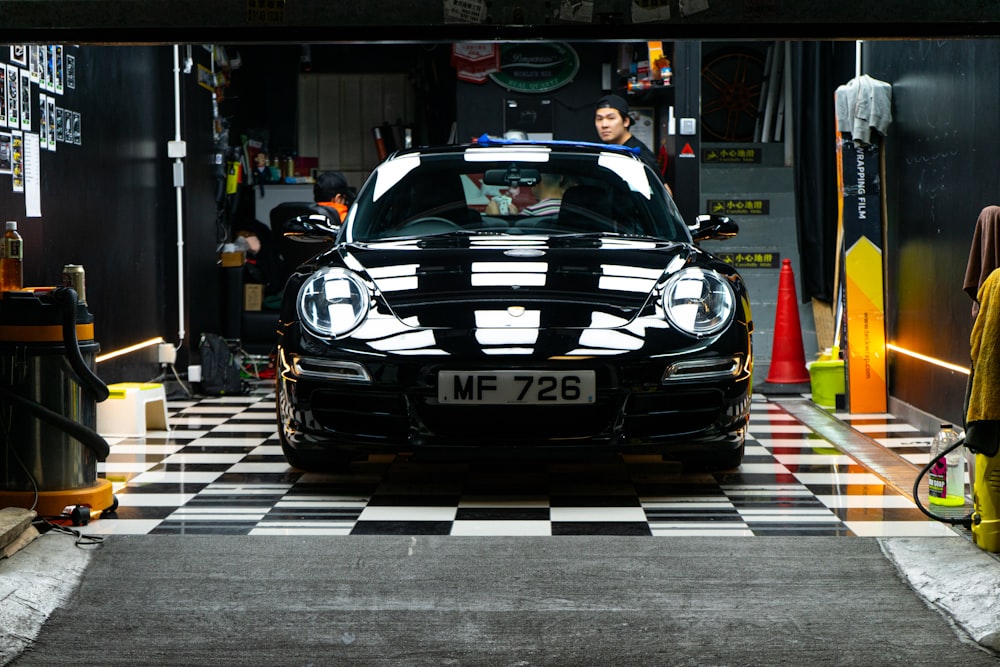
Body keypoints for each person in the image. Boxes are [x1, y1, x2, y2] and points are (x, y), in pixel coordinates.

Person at [594, 94, 661, 177]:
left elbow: (664, 188)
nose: (604, 125)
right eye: (599, 119)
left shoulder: (639, 156)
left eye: (611, 118)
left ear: (626, 121)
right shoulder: (598, 150)